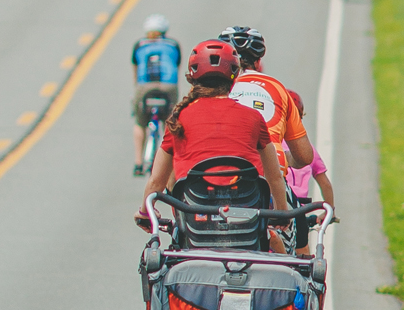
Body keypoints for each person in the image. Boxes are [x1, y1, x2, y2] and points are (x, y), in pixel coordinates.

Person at [136, 39, 288, 230]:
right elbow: (274, 176)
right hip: (245, 223)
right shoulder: (254, 117)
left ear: (193, 76)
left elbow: (157, 180)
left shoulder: (179, 117)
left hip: (195, 223)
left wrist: (144, 213)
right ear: (234, 75)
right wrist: (282, 214)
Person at [219, 26, 314, 170]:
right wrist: (287, 158)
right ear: (258, 63)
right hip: (269, 171)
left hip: (214, 171)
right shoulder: (278, 88)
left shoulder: (208, 87)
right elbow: (304, 156)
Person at [283, 90, 335, 256]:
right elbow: (325, 183)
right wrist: (329, 211)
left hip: (273, 207)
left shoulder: (268, 143)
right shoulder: (306, 150)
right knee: (303, 261)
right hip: (298, 212)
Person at [131, 13, 182, 176]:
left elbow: (136, 69)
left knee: (140, 123)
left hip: (145, 86)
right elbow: (176, 66)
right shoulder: (173, 44)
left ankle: (138, 162)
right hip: (168, 86)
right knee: (171, 121)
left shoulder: (139, 45)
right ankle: (171, 160)